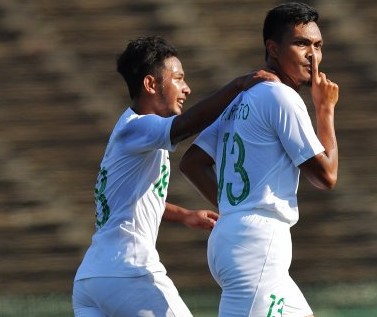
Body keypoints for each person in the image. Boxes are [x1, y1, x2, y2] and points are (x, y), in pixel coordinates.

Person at [72, 35, 277, 317]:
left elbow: (132, 202)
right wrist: (238, 85)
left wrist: (184, 215)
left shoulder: (129, 134)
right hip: (128, 271)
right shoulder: (139, 128)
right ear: (150, 84)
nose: (187, 88)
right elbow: (183, 126)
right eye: (178, 79)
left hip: (91, 281)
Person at [179, 2, 339, 316]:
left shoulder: (242, 97)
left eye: (318, 45)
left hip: (236, 238)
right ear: (273, 49)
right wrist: (325, 111)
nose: (312, 54)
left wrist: (233, 209)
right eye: (301, 43)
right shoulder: (281, 96)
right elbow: (326, 176)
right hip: (258, 244)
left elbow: (192, 163)